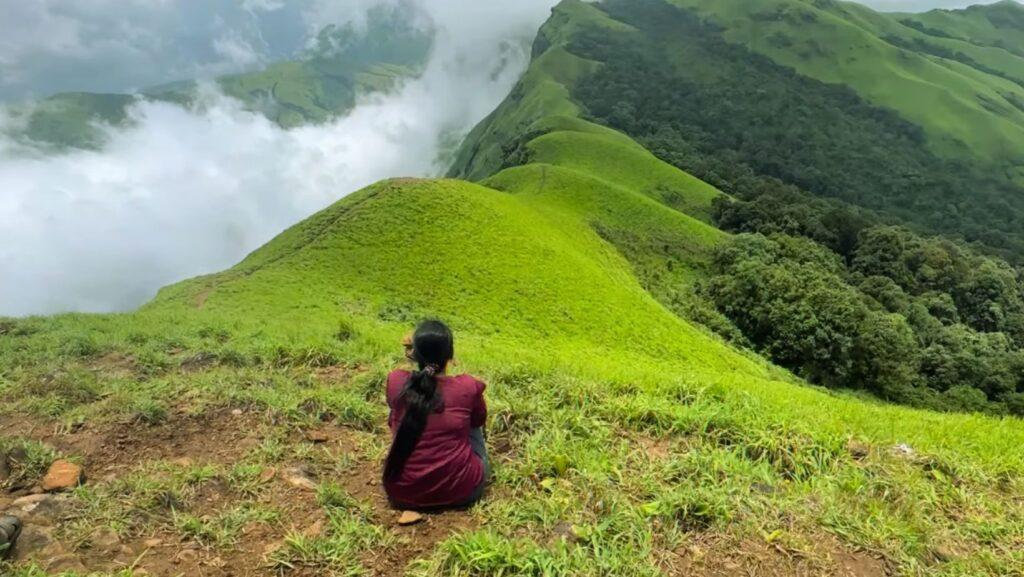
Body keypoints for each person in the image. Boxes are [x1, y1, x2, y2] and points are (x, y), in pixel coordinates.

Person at [383, 320, 489, 510]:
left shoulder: (396, 381)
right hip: (462, 491)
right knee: (473, 421)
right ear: (450, 355)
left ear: (413, 353)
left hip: (401, 492)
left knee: (398, 410)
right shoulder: (467, 386)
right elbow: (479, 420)